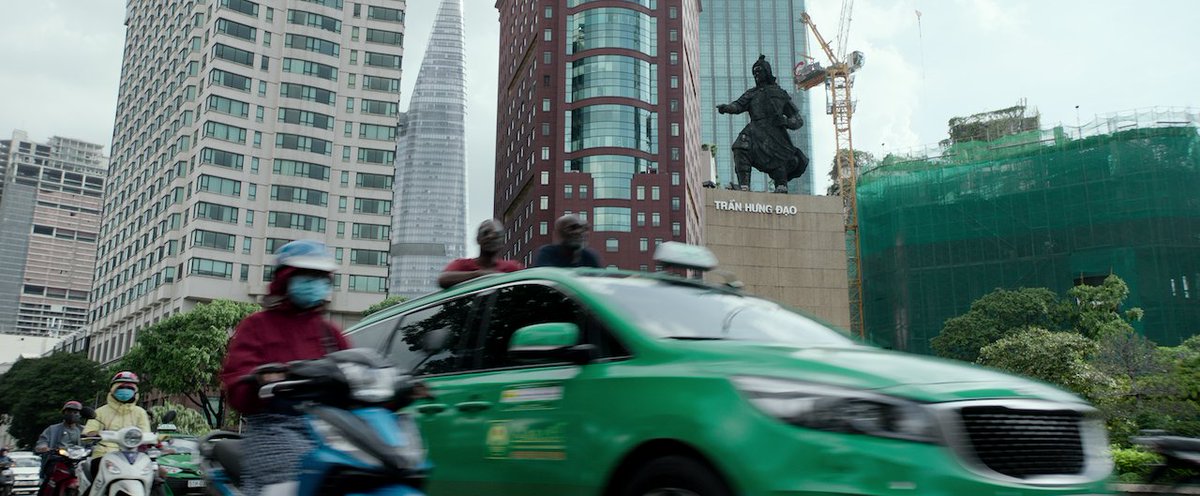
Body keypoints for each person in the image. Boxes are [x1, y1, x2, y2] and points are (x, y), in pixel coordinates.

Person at [220, 239, 350, 496]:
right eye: (306, 276)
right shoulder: (256, 325)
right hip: (275, 426)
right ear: (285, 279)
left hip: (331, 428)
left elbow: (354, 369)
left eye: (321, 277)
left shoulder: (330, 332)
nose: (315, 283)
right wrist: (257, 381)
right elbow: (236, 384)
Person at [717, 55, 809, 193]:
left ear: (767, 72)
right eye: (754, 72)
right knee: (740, 147)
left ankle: (781, 185)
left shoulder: (780, 93)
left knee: (781, 159)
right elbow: (738, 106)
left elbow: (797, 119)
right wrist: (726, 108)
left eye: (759, 71)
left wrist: (786, 121)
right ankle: (744, 185)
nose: (756, 75)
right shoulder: (751, 93)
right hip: (755, 130)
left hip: (775, 131)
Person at [83, 372, 151, 483]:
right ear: (113, 390)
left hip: (134, 457)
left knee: (156, 478)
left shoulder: (140, 412)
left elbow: (146, 434)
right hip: (103, 455)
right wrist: (94, 434)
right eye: (121, 387)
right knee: (96, 482)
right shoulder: (100, 412)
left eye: (129, 387)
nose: (125, 390)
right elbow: (88, 432)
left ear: (135, 391)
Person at [438, 219, 524, 288]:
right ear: (478, 239)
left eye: (496, 235)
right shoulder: (462, 265)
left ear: (501, 243)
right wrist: (480, 274)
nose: (490, 236)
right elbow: (443, 279)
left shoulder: (512, 267)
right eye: (486, 233)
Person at [533, 214, 603, 268]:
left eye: (583, 228)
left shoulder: (589, 256)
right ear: (559, 233)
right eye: (572, 228)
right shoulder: (547, 253)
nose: (578, 232)